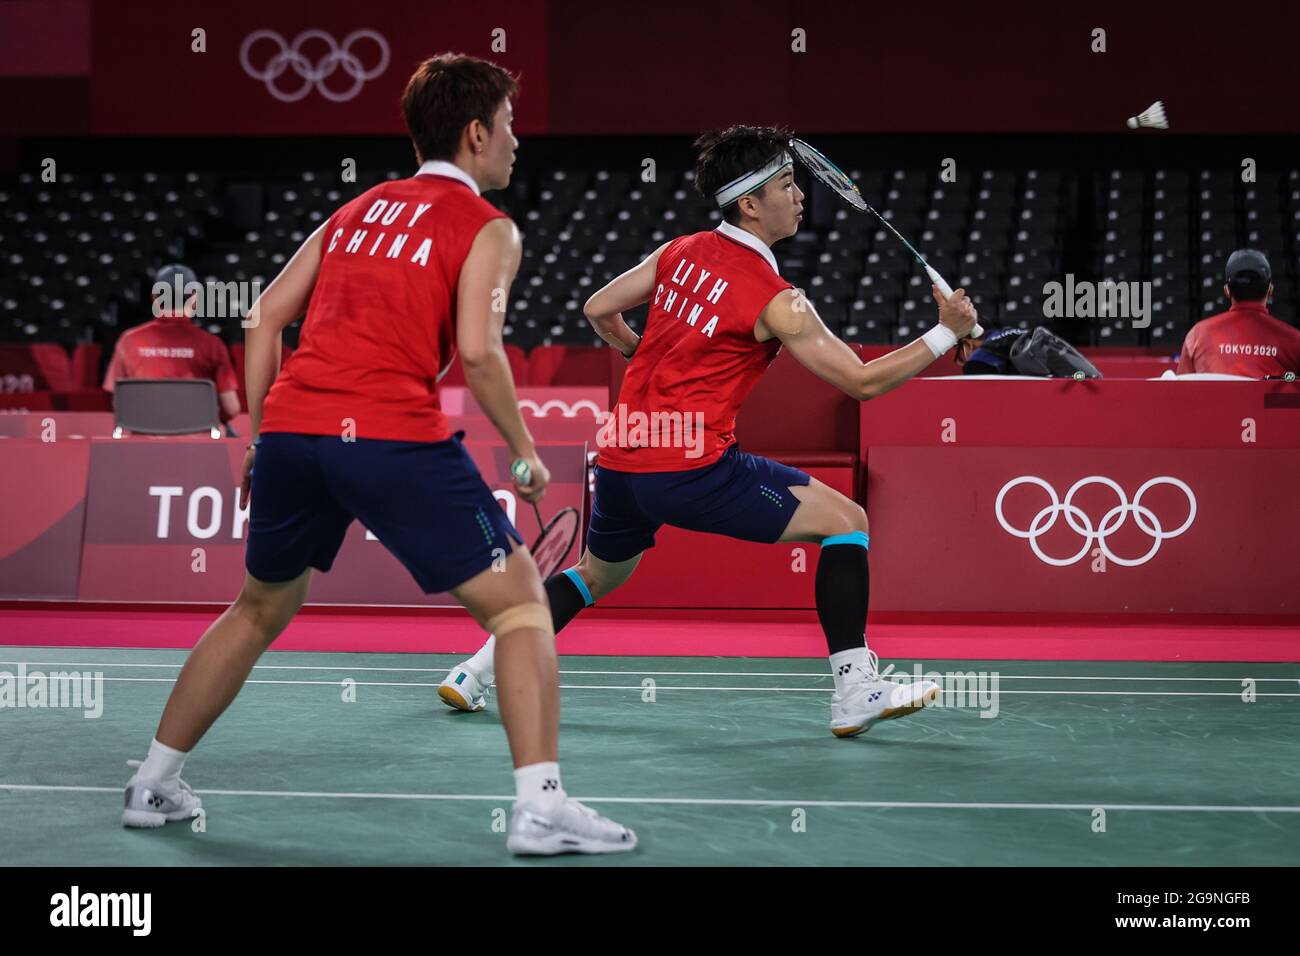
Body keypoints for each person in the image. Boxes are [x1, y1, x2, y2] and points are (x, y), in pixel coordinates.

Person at [120, 53, 636, 857]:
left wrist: (261, 436)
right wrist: (526, 451)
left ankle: (152, 781)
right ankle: (540, 807)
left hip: (293, 430)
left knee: (257, 608)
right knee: (523, 605)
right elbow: (482, 352)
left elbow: (260, 319)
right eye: (507, 126)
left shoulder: (354, 209)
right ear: (475, 133)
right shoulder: (490, 227)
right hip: (388, 428)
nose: (515, 143)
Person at [440, 125, 979, 738]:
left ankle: (474, 671)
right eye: (785, 184)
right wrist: (944, 333)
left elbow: (597, 308)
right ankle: (857, 690)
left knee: (595, 575)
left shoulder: (680, 251)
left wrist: (642, 356)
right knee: (847, 522)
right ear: (749, 203)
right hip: (690, 467)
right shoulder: (779, 299)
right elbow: (861, 382)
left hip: (619, 460)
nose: (800, 194)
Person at [102, 263, 241, 425]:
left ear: (154, 297)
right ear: (195, 299)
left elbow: (117, 401)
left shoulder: (128, 340)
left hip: (143, 435)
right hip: (197, 437)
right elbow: (231, 408)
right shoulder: (212, 344)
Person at [1177, 249, 1300, 377]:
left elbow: (1181, 393)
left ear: (1227, 291)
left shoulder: (1198, 335)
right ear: (1270, 290)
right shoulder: (1295, 341)